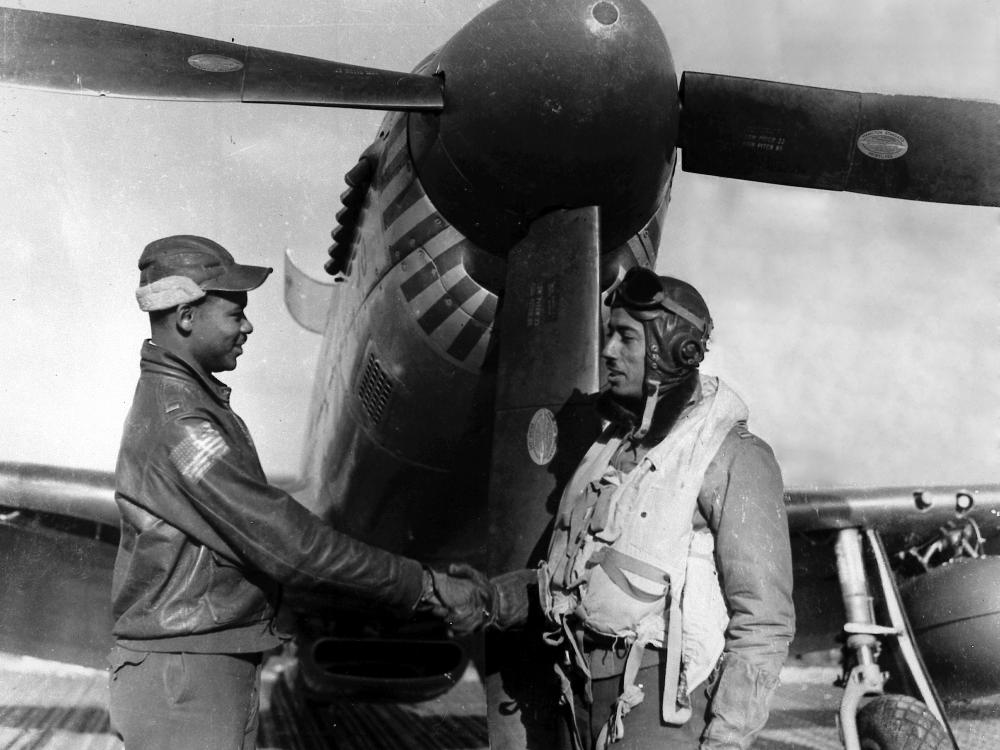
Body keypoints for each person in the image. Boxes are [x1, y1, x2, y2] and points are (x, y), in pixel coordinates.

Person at [109, 234, 493, 750]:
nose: (247, 326)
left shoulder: (186, 406)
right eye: (234, 312)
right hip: (188, 678)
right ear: (185, 318)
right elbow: (287, 543)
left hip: (199, 670)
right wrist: (423, 584)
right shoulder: (183, 425)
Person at [491, 266, 795, 749]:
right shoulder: (612, 446)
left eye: (626, 338)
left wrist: (726, 741)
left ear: (673, 350)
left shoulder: (735, 456)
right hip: (578, 691)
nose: (608, 351)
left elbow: (764, 622)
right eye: (609, 335)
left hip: (659, 706)